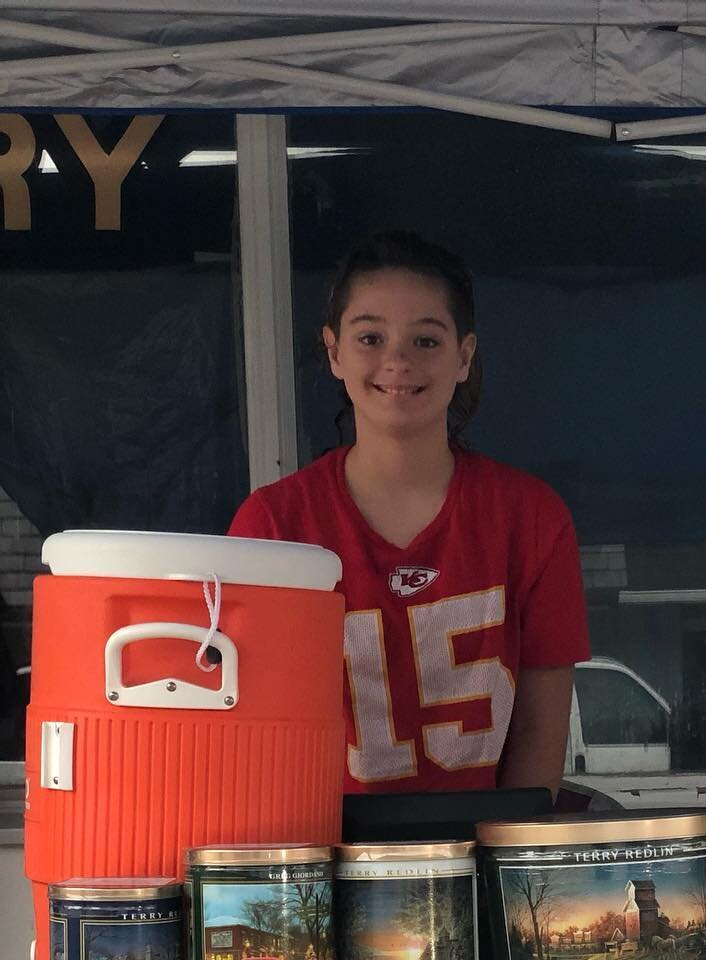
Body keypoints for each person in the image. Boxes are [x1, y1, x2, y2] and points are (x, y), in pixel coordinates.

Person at [230, 231, 589, 796]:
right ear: (334, 352)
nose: (396, 360)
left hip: (477, 864)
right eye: (370, 336)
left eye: (426, 340)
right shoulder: (272, 526)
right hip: (317, 871)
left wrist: (506, 872)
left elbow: (540, 740)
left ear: (464, 356)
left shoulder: (533, 518)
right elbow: (250, 740)